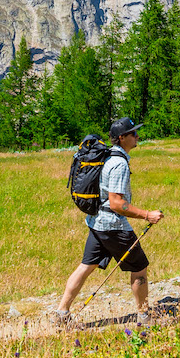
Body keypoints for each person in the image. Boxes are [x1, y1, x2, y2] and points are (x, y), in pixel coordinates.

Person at [56, 117, 164, 326]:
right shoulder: (119, 164)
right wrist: (146, 214)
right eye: (133, 134)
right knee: (139, 268)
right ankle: (145, 317)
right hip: (113, 226)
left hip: (97, 222)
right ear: (122, 138)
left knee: (87, 265)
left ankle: (61, 313)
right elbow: (116, 203)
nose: (137, 137)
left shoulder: (108, 158)